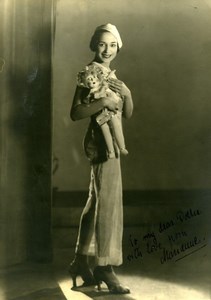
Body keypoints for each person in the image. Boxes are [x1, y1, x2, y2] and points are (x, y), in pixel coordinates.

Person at [69, 23, 133, 294]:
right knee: (107, 204)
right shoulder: (90, 73)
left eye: (113, 44)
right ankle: (105, 267)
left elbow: (126, 113)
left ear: (119, 46)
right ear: (94, 45)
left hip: (112, 145)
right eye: (102, 44)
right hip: (101, 145)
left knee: (97, 202)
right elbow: (76, 113)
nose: (107, 50)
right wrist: (103, 103)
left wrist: (127, 93)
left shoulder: (111, 74)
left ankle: (80, 261)